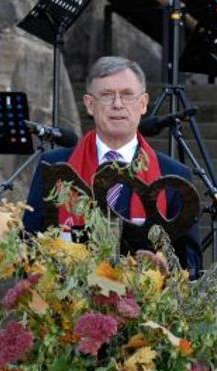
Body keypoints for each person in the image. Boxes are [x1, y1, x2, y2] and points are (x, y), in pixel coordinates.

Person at [23, 56, 202, 279]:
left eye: (127, 95)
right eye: (107, 95)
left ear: (143, 103)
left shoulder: (173, 175)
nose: (118, 104)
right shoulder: (55, 166)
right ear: (89, 104)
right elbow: (29, 243)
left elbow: (192, 264)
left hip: (146, 308)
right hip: (69, 304)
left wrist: (166, 268)